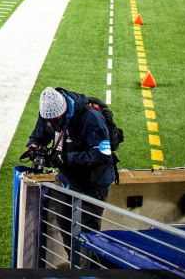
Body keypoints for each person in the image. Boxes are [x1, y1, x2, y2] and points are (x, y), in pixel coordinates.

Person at [26, 87, 117, 252]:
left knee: (88, 236)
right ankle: (74, 267)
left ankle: (89, 272)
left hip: (92, 184)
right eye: (49, 119)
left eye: (57, 119)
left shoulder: (91, 118)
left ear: (65, 109)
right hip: (66, 180)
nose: (53, 123)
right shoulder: (48, 112)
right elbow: (40, 133)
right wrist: (34, 145)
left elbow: (103, 156)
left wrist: (65, 158)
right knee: (66, 229)